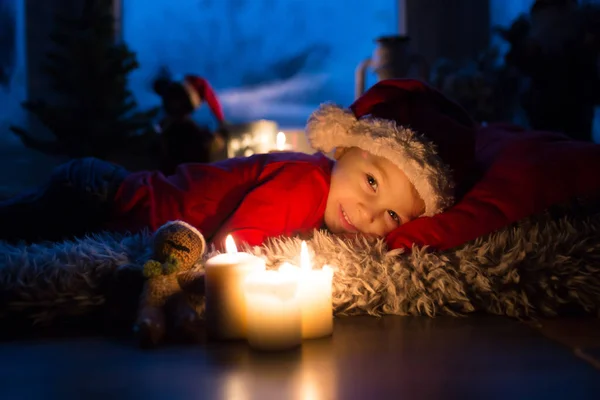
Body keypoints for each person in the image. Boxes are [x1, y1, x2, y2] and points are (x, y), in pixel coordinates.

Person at [0, 79, 476, 250]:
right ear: (345, 150)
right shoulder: (306, 186)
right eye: (372, 182)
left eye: (392, 215)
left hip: (108, 191)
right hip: (103, 195)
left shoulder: (320, 189)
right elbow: (237, 241)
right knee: (19, 227)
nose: (371, 215)